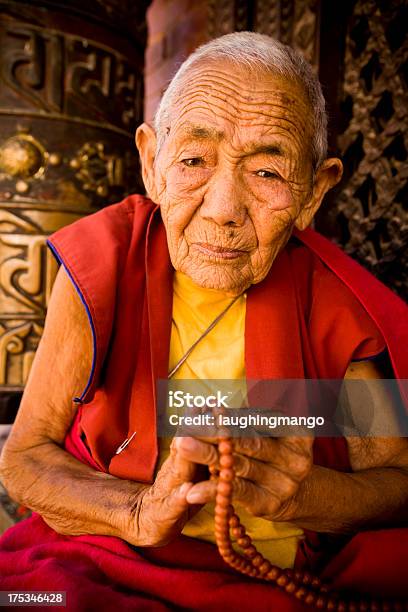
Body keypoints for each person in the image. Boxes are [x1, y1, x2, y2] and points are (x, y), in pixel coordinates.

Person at [0, 32, 407, 611]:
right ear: (152, 162)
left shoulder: (335, 304)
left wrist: (305, 496)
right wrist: (138, 512)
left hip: (265, 582)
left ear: (315, 192)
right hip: (99, 555)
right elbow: (25, 456)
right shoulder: (106, 261)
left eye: (267, 173)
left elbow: (397, 482)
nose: (222, 210)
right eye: (193, 160)